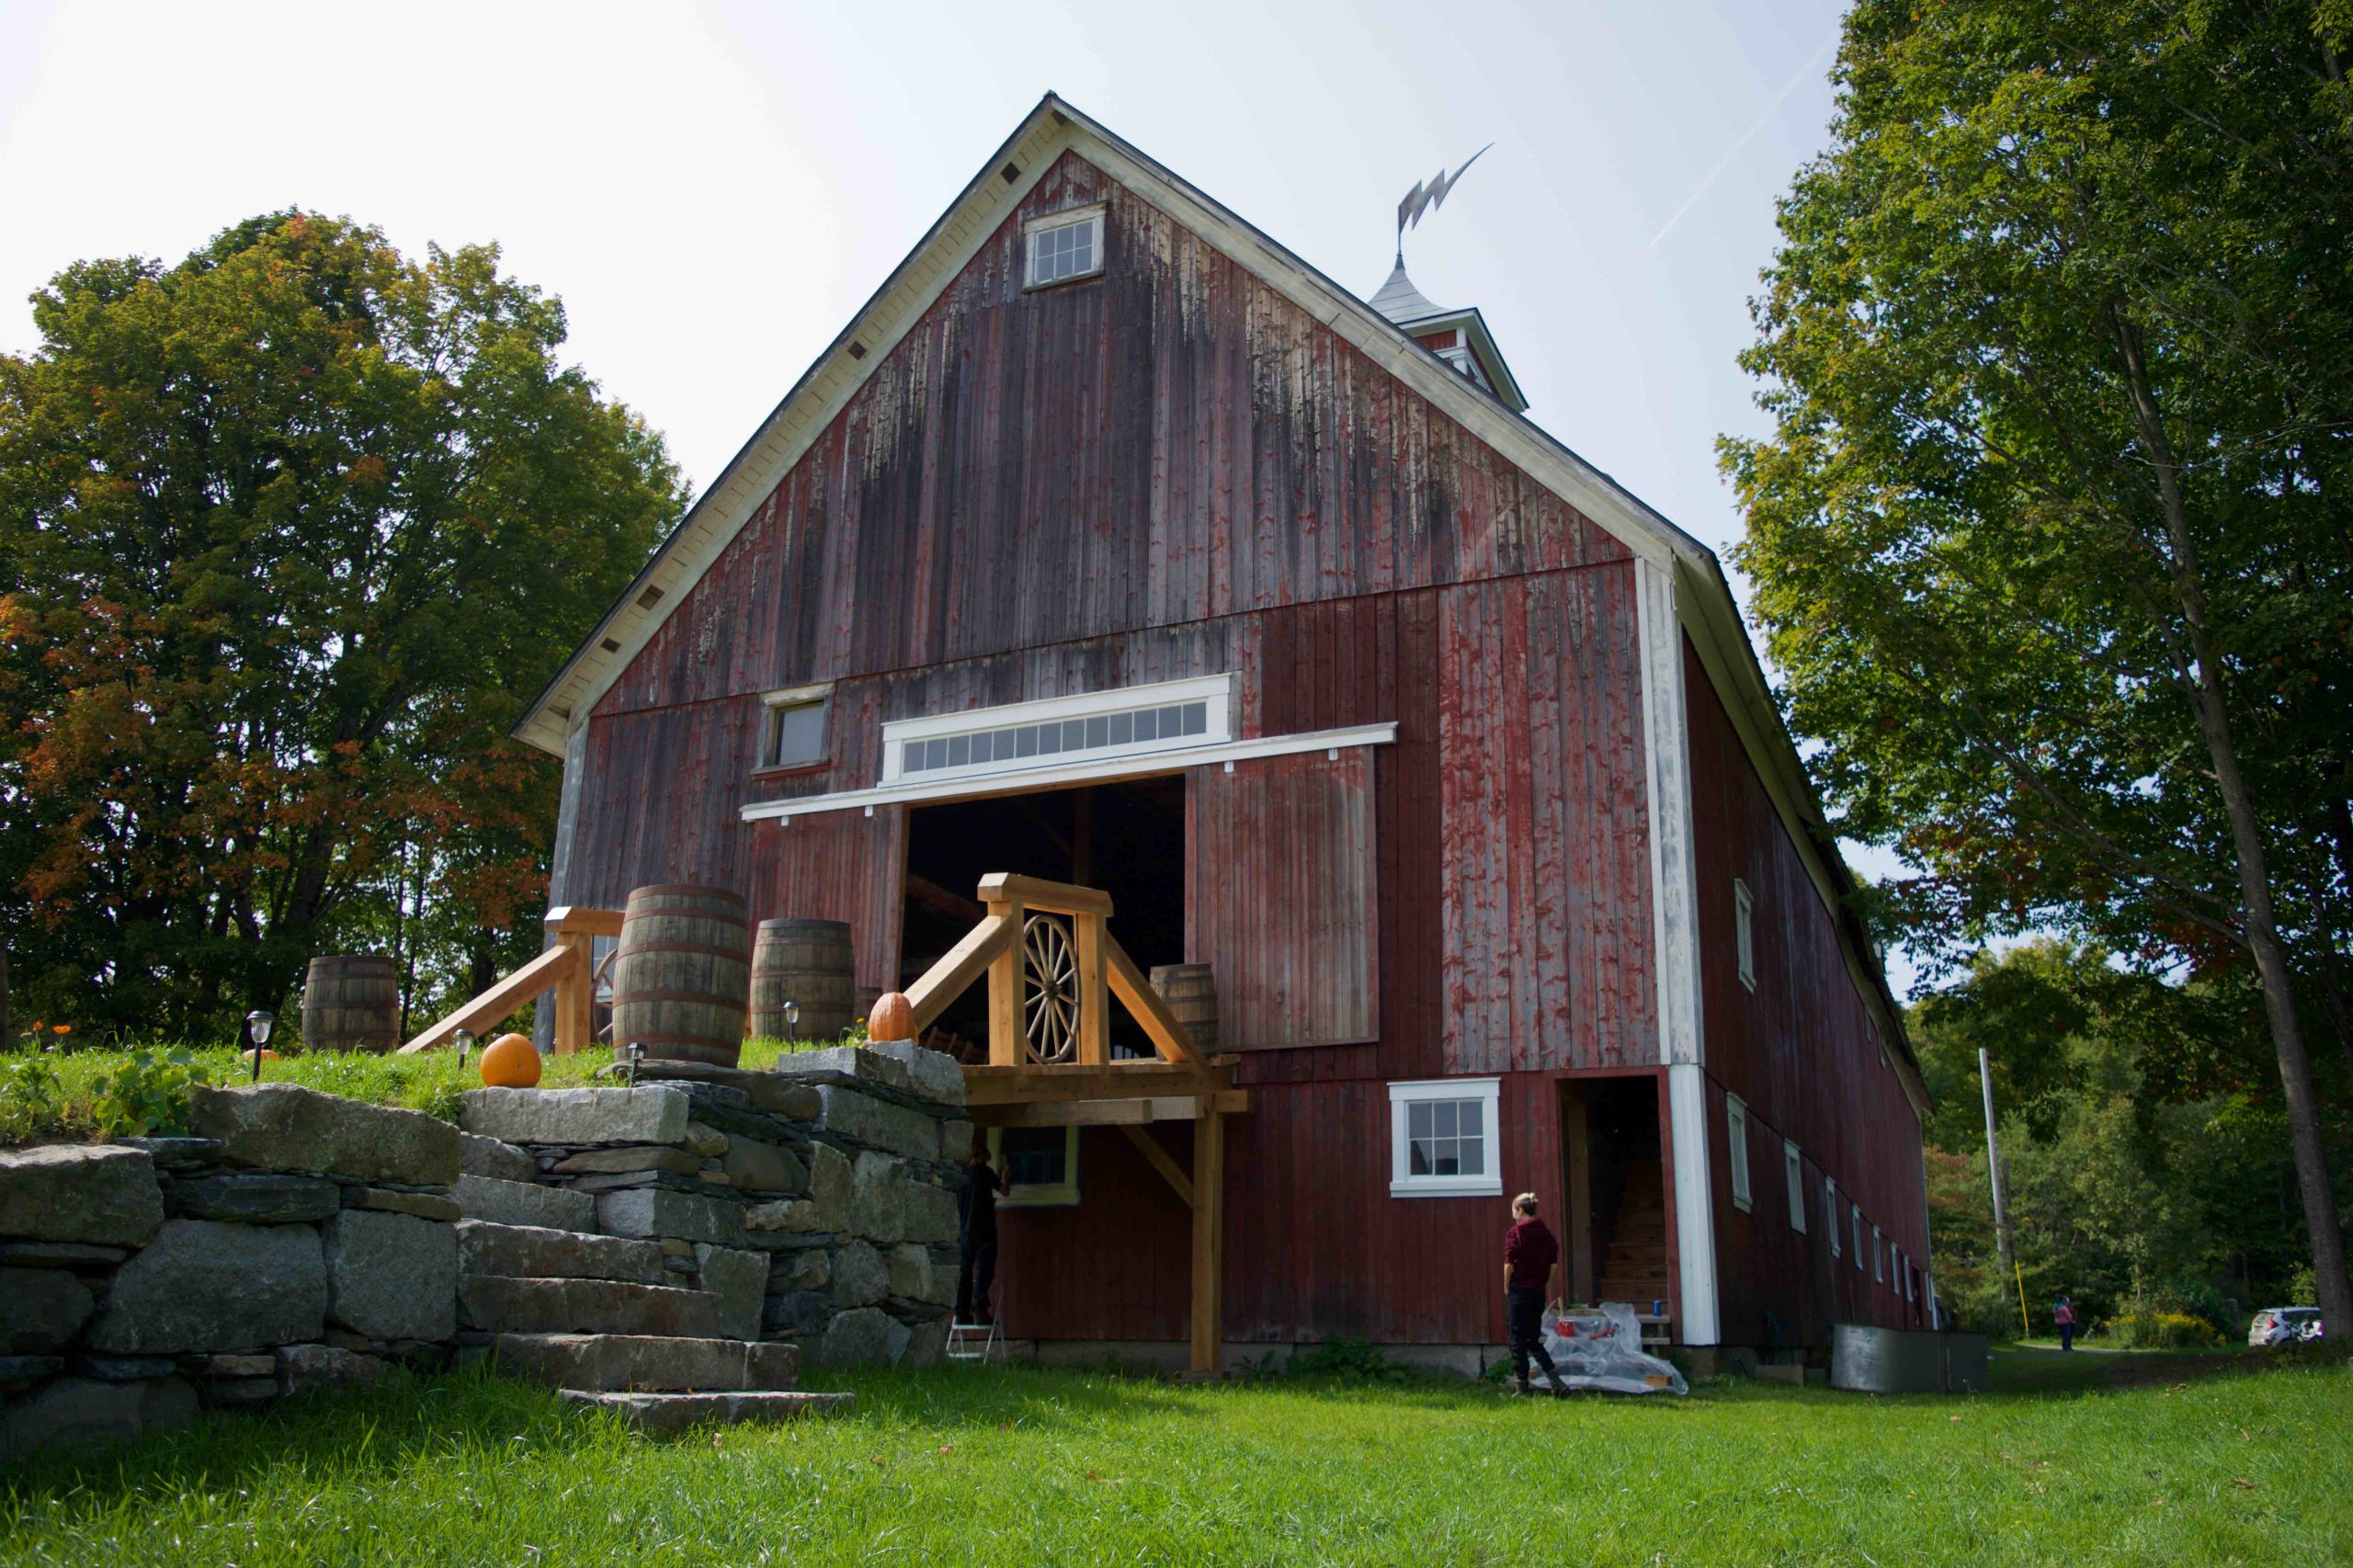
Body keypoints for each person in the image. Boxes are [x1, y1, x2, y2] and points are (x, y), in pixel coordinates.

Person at [1503, 1192, 1566, 1397]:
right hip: (1537, 1292)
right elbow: (1553, 1265)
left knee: (1517, 1339)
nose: (1512, 1213)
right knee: (1532, 1339)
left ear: (1520, 1211)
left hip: (1519, 1292)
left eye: (1513, 1209)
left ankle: (1521, 1387)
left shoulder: (1515, 1233)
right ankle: (1556, 1382)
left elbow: (1509, 1265)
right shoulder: (1546, 1234)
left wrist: (1506, 1286)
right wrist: (1544, 1282)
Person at [955, 1143, 1004, 1324]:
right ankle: (980, 1311)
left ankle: (961, 1313)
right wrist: (1005, 1178)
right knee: (984, 1267)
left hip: (964, 1230)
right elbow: (1004, 1191)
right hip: (984, 1229)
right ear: (981, 1157)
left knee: (965, 1271)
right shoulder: (984, 1172)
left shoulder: (960, 1176)